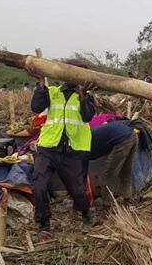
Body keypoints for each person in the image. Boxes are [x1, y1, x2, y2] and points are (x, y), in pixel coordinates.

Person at [27, 58, 97, 242]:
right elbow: (36, 107)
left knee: (77, 190)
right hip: (48, 147)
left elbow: (87, 117)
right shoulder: (52, 92)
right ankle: (44, 225)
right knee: (38, 184)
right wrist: (41, 83)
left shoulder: (87, 97)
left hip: (71, 151)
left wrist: (83, 95)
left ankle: (86, 213)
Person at [81, 122, 138, 208]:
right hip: (132, 135)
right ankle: (127, 202)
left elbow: (83, 170)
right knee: (126, 171)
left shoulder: (84, 145)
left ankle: (106, 207)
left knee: (109, 175)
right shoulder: (90, 136)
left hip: (122, 140)